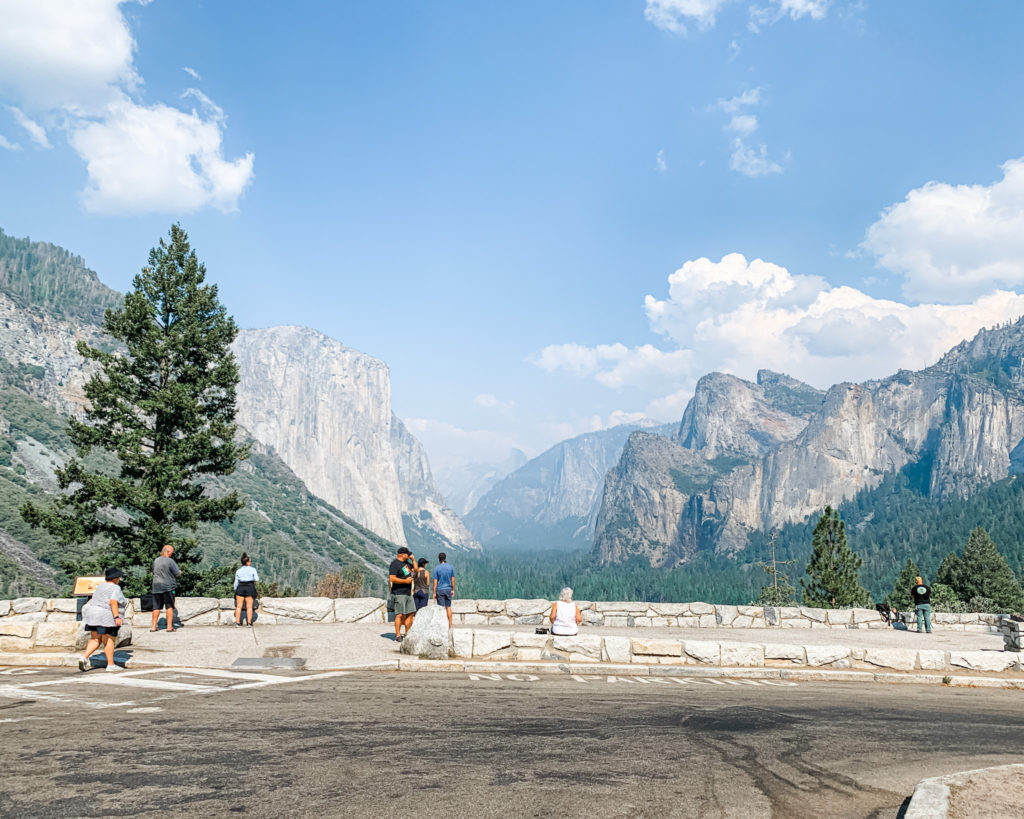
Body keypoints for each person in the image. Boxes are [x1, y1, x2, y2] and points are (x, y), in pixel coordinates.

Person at [79, 568, 128, 672]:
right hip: (105, 615)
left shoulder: (100, 586)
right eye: (118, 577)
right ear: (115, 578)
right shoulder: (115, 588)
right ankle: (110, 665)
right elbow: (113, 602)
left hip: (92, 613)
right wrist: (116, 617)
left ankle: (84, 658)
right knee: (108, 640)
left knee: (95, 639)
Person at [388, 546, 416, 642]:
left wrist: (413, 560)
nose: (409, 556)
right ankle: (398, 635)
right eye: (408, 554)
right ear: (402, 554)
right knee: (399, 614)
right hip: (399, 593)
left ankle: (407, 634)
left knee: (410, 613)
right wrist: (405, 581)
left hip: (408, 593)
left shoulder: (407, 564)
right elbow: (392, 578)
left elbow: (415, 570)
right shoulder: (394, 564)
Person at [150, 543, 180, 632]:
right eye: (172, 552)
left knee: (156, 607)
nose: (172, 553)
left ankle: (153, 626)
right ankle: (169, 627)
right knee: (169, 606)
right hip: (168, 587)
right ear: (168, 552)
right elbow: (177, 573)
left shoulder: (156, 560)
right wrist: (180, 572)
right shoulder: (170, 561)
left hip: (156, 586)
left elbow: (153, 571)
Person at [233, 552, 260, 626]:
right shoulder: (252, 570)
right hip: (249, 587)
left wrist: (236, 590)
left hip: (240, 587)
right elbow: (257, 579)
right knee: (249, 606)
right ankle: (249, 623)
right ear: (247, 562)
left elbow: (236, 582)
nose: (251, 562)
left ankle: (237, 622)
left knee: (238, 606)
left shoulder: (238, 571)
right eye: (250, 561)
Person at [432, 552, 455, 628]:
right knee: (448, 607)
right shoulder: (450, 567)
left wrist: (434, 592)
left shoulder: (437, 568)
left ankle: (442, 626)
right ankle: (450, 625)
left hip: (440, 589)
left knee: (441, 609)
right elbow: (453, 580)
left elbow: (435, 582)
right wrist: (453, 589)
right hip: (448, 589)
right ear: (445, 558)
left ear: (439, 559)